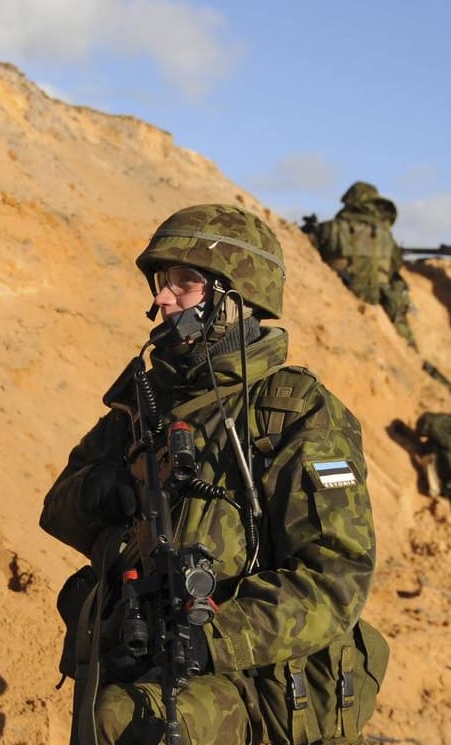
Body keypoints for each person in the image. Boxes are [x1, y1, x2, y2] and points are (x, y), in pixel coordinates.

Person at [41, 204, 388, 744]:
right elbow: (55, 507)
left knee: (123, 721)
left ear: (234, 299)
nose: (162, 298)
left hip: (254, 679)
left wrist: (215, 639)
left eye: (186, 283)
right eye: (161, 282)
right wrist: (96, 493)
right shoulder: (143, 402)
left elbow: (337, 576)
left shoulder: (293, 411)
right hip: (139, 652)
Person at [308, 181, 416, 347]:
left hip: (340, 303)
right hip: (382, 304)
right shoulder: (386, 236)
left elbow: (304, 252)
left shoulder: (329, 228)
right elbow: (395, 267)